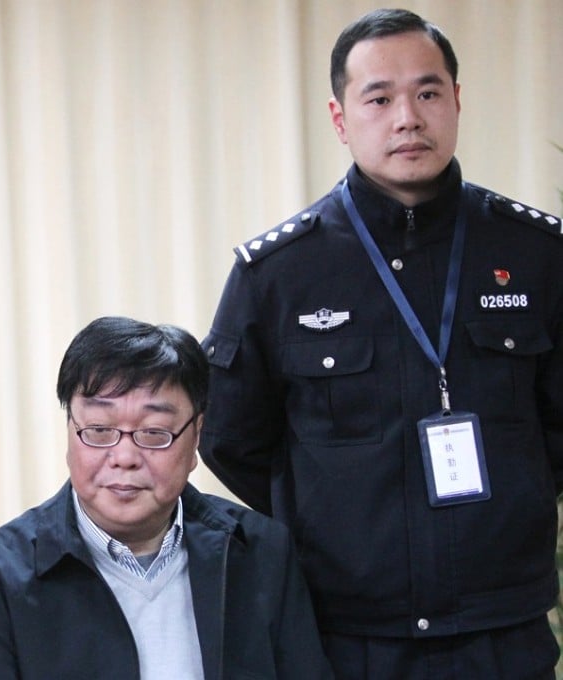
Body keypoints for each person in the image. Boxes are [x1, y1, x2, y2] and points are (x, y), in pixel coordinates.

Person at [201, 7, 563, 679]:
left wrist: (516, 495)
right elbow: (230, 437)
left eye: (428, 93)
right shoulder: (280, 273)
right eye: (379, 98)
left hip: (501, 627)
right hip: (346, 634)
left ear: (456, 101)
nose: (408, 117)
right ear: (340, 119)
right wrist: (331, 512)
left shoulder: (536, 252)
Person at [0, 316, 332, 679]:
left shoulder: (262, 552)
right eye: (98, 429)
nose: (125, 457)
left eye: (154, 432)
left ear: (196, 435)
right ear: (69, 432)